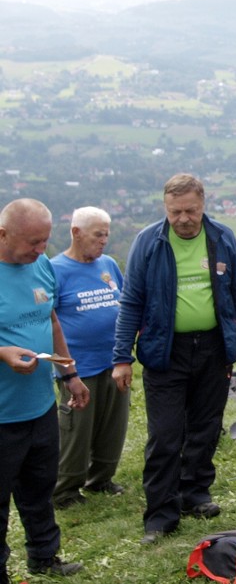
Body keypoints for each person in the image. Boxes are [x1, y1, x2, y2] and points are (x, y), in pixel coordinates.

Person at [112, 173, 236, 545]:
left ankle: (195, 493)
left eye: (190, 211)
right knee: (165, 435)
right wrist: (122, 357)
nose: (183, 218)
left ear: (203, 205)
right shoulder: (149, 243)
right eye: (175, 211)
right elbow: (131, 302)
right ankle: (161, 513)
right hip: (165, 352)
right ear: (166, 209)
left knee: (206, 427)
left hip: (214, 349)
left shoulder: (222, 238)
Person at [0, 199, 89, 582]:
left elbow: (51, 319)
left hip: (39, 407)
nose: (40, 251)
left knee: (39, 489)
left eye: (45, 242)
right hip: (1, 416)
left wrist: (69, 374)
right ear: (3, 234)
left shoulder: (42, 267)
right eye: (32, 243)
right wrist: (2, 352)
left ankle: (44, 556)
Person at [51, 207, 128, 510]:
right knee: (76, 433)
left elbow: (123, 300)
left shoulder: (107, 264)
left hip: (113, 363)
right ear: (76, 233)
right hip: (78, 368)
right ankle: (65, 490)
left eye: (107, 234)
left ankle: (101, 479)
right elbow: (50, 322)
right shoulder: (55, 270)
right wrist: (66, 371)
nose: (104, 241)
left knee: (113, 425)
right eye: (98, 235)